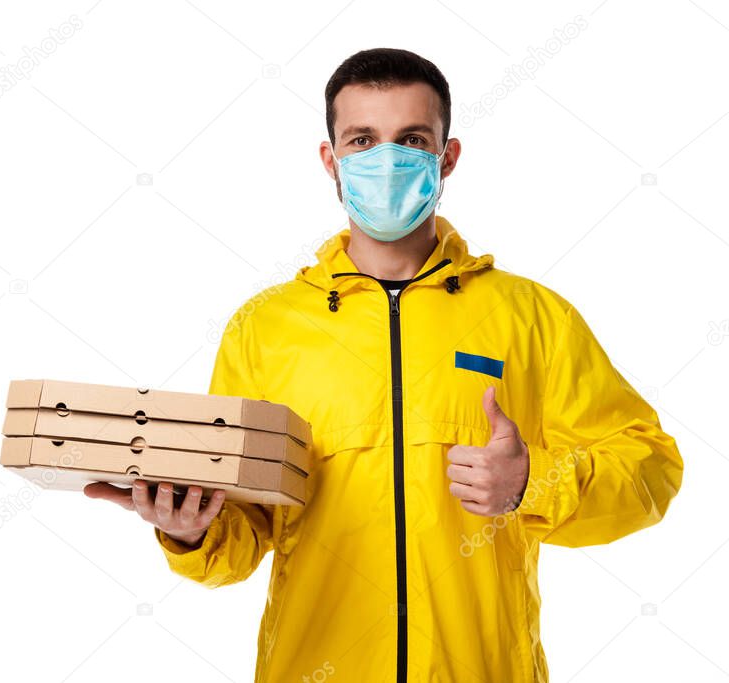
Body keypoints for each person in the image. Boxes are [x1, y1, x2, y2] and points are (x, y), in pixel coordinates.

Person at [84, 48, 683, 682]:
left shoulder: (532, 318)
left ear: (447, 157)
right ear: (330, 159)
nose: (386, 160)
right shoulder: (265, 329)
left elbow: (651, 469)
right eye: (363, 140)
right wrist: (190, 531)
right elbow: (244, 535)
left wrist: (531, 482)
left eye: (412, 140)